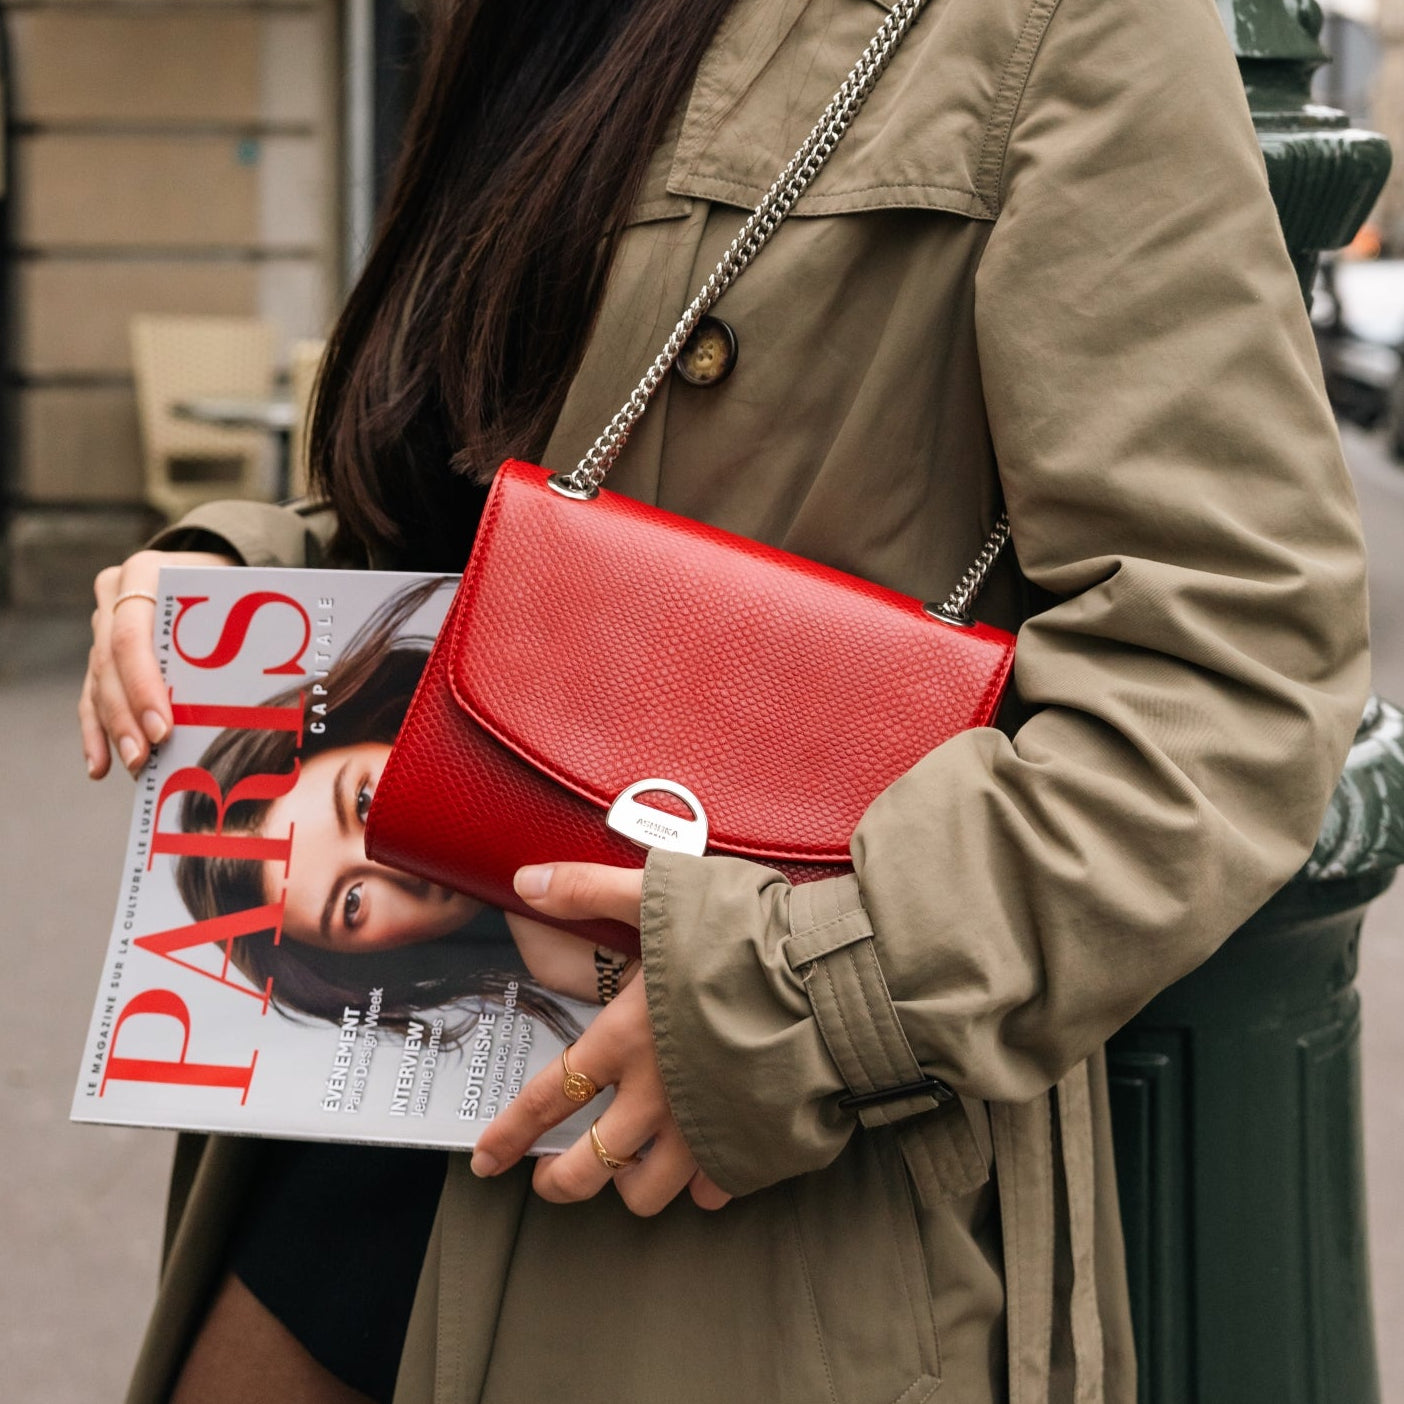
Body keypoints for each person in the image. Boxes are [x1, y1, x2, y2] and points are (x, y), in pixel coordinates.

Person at [79, 0, 1371, 1400]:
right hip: (368, 1135)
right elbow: (491, 484)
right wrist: (241, 589)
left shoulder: (1058, 25)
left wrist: (804, 995)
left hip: (737, 1197)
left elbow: (1227, 657)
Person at [173, 577, 602, 1041]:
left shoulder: (573, 652)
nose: (395, 862)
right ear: (373, 960)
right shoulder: (579, 982)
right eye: (352, 904)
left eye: (362, 802)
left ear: (386, 728)